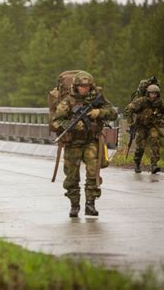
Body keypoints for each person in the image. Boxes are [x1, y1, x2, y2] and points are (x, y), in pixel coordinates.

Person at [51, 71, 118, 217]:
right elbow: (56, 122)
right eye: (81, 86)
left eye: (87, 86)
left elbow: (113, 113)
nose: (84, 89)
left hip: (91, 141)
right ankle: (74, 205)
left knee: (93, 172)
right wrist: (72, 125)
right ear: (76, 86)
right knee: (72, 176)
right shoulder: (68, 101)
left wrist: (98, 113)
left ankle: (90, 204)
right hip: (73, 143)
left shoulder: (97, 99)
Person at [124, 84, 164, 174]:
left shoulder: (160, 102)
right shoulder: (141, 101)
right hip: (141, 126)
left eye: (155, 93)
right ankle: (137, 163)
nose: (154, 95)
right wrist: (131, 122)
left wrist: (160, 117)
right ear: (148, 93)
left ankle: (154, 165)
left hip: (153, 125)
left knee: (155, 141)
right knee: (141, 146)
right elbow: (128, 109)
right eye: (152, 93)